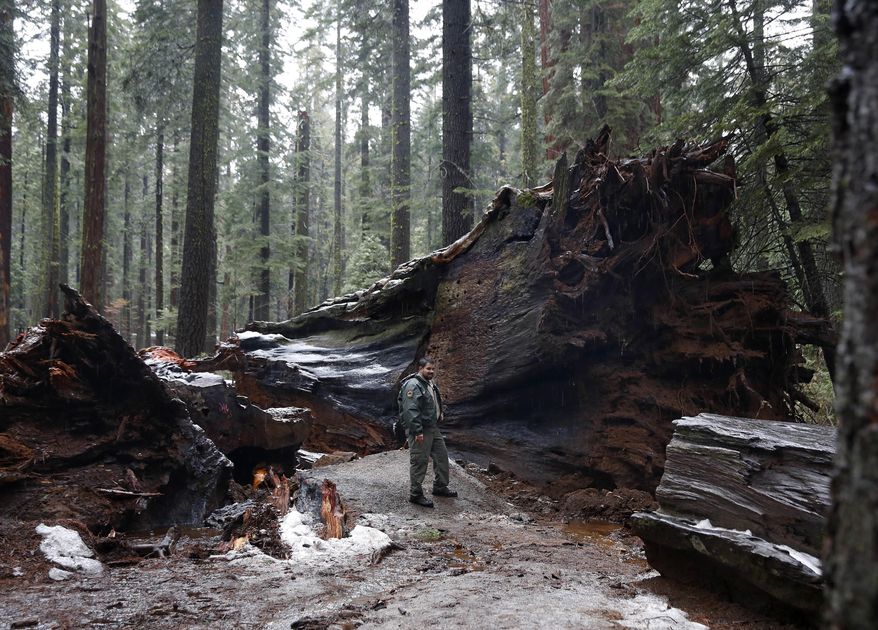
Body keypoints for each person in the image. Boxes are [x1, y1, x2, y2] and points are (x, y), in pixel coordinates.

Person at [397, 357, 457, 507]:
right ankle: (415, 494)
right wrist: (417, 431)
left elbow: (433, 401)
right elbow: (410, 410)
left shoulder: (428, 383)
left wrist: (439, 413)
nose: (431, 371)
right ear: (420, 368)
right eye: (428, 369)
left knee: (442, 456)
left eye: (432, 369)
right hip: (420, 429)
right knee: (419, 461)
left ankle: (440, 487)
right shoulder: (413, 385)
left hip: (432, 427)